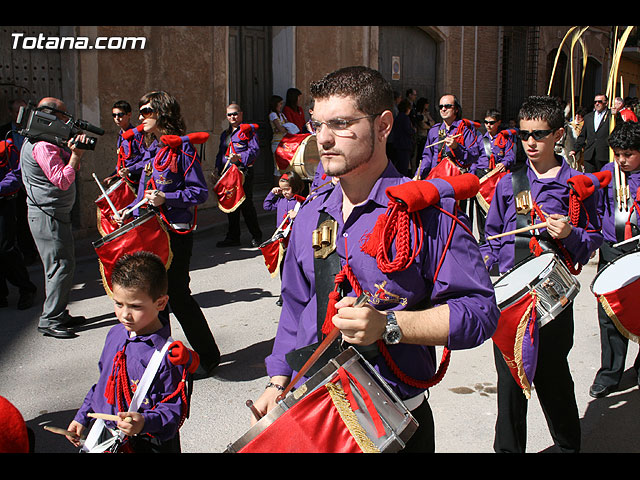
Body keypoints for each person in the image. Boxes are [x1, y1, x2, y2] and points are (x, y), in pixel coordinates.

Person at [253, 66, 499, 452]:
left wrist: (389, 325)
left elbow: (480, 312)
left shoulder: (429, 214)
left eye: (342, 123)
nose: (324, 139)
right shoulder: (308, 216)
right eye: (318, 124)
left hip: (397, 423)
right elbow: (296, 307)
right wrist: (277, 382)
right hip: (317, 416)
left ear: (384, 126)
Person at [481, 95, 603, 453]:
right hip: (510, 299)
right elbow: (491, 236)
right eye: (523, 134)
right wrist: (488, 267)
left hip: (553, 299)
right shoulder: (508, 183)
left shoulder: (576, 185)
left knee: (554, 380)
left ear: (559, 134)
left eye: (539, 134)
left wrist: (570, 234)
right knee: (509, 386)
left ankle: (567, 446)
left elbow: (592, 240)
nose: (530, 142)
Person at [123, 90, 221, 377]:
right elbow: (144, 193)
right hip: (151, 232)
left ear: (161, 114)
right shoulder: (154, 151)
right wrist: (127, 211)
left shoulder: (183, 150)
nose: (140, 118)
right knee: (157, 297)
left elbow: (199, 192)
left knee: (177, 295)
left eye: (145, 112)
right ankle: (158, 358)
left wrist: (168, 198)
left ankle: (208, 356)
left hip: (176, 234)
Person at [67, 251, 199, 453]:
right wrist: (82, 415)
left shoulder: (168, 355)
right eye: (118, 303)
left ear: (161, 303)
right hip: (109, 436)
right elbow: (102, 383)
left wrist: (145, 421)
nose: (125, 314)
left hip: (150, 442)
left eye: (136, 306)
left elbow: (173, 410)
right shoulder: (115, 334)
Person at [20, 97, 89, 339]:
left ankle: (59, 313)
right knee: (59, 266)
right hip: (48, 215)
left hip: (52, 215)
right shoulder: (42, 146)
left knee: (62, 265)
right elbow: (62, 180)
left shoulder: (41, 140)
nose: (66, 120)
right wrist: (76, 155)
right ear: (49, 116)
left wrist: (71, 153)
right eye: (63, 115)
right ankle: (50, 319)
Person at [590, 120, 640, 398]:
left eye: (628, 154)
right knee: (610, 314)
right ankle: (609, 373)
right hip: (613, 249)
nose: (621, 160)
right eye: (617, 154)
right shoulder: (608, 173)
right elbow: (595, 209)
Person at [214, 103, 263, 248]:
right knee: (231, 204)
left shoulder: (249, 131)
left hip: (243, 172)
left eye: (235, 114)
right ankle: (233, 237)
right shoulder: (225, 134)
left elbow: (254, 151)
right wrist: (217, 169)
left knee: (246, 205)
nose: (232, 117)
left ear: (241, 114)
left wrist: (240, 157)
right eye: (229, 114)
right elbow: (221, 154)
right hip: (228, 174)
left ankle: (257, 236)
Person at [0, 141, 36, 309]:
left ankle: (26, 289)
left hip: (3, 203)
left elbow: (16, 174)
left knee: (5, 249)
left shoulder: (5, 146)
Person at [263, 171, 306, 306]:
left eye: (287, 189)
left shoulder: (301, 201)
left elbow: (308, 219)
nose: (284, 192)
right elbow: (267, 206)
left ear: (295, 186)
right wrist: (272, 193)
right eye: (282, 189)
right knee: (283, 268)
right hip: (282, 240)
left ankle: (298, 293)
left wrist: (297, 215)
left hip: (294, 239)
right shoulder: (281, 200)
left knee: (295, 268)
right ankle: (284, 293)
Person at [417, 94, 480, 179]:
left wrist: (456, 147)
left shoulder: (465, 129)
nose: (443, 109)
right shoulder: (434, 130)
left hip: (456, 181)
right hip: (436, 179)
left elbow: (473, 157)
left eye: (447, 106)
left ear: (456, 109)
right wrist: (419, 174)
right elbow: (427, 157)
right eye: (441, 106)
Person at [570, 93, 612, 173]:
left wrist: (616, 114)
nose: (597, 104)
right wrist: (575, 149)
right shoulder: (588, 117)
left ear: (606, 103)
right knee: (589, 179)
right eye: (595, 102)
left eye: (599, 101)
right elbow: (582, 136)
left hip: (603, 155)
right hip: (589, 155)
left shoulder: (611, 116)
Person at [110, 100, 147, 185]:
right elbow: (121, 160)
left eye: (120, 115)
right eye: (114, 115)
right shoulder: (121, 135)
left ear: (129, 115)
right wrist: (112, 176)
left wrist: (130, 169)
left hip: (138, 178)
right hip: (126, 178)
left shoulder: (136, 135)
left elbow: (146, 159)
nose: (117, 118)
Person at [389, 99, 415, 176]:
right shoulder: (405, 118)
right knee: (404, 166)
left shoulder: (398, 117)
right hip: (404, 145)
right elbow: (408, 130)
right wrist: (413, 130)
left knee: (400, 165)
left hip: (397, 144)